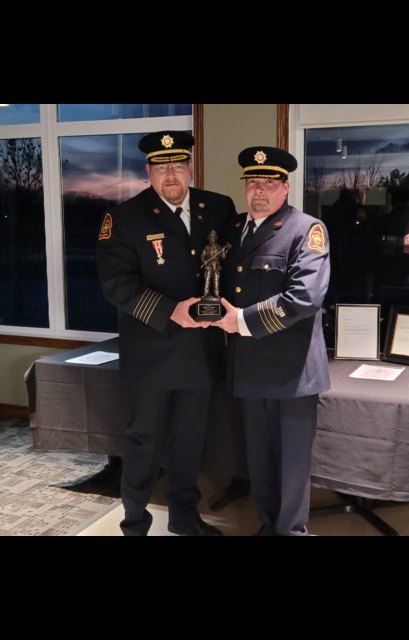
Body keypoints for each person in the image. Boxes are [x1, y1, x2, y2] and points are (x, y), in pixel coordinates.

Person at [95, 130, 237, 536]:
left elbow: (231, 268)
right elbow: (115, 284)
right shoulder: (123, 218)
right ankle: (135, 523)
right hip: (151, 353)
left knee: (189, 442)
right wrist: (170, 310)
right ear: (148, 171)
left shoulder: (219, 207)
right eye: (161, 166)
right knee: (142, 443)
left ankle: (184, 519)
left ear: (190, 168)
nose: (170, 174)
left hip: (202, 350)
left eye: (178, 164)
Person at [213, 146, 330, 536]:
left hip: (291, 370)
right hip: (246, 365)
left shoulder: (306, 229)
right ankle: (268, 526)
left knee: (292, 462)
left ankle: (292, 532)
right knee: (259, 459)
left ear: (285, 186)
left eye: (268, 183)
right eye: (252, 183)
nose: (258, 191)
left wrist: (240, 320)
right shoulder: (232, 231)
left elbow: (305, 298)